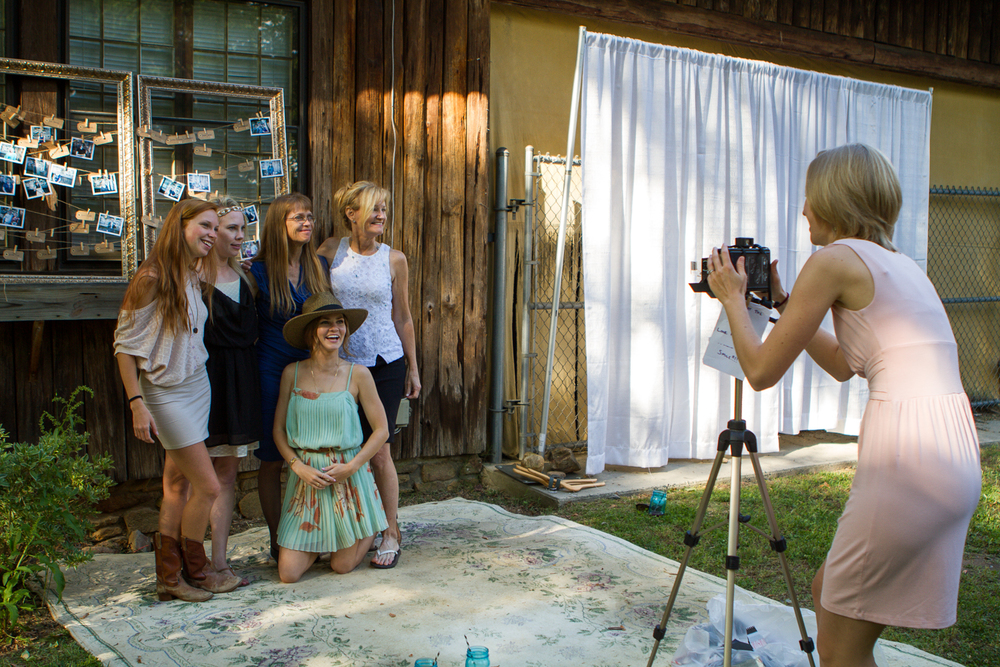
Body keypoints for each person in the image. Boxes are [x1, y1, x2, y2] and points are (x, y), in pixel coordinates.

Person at [706, 143, 982, 667]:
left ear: (834, 200)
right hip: (952, 451)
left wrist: (733, 299)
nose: (804, 210)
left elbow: (759, 371)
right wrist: (783, 302)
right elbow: (840, 363)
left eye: (810, 197)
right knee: (828, 592)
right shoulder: (900, 265)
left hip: (908, 461)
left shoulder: (831, 260)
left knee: (840, 650)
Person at [114, 199, 239, 602]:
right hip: (164, 393)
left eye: (216, 227)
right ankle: (197, 570)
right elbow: (124, 347)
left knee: (177, 484)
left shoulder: (191, 272)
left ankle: (169, 577)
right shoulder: (151, 278)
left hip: (197, 386)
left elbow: (228, 261)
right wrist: (136, 402)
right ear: (180, 226)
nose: (213, 233)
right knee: (208, 487)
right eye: (205, 225)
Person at [318, 181, 421, 569]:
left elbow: (403, 316)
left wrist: (413, 367)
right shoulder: (330, 251)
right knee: (341, 447)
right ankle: (345, 527)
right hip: (340, 364)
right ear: (351, 213)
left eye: (384, 209)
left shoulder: (394, 259)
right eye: (374, 208)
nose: (381, 215)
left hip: (385, 363)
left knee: (379, 451)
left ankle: (390, 531)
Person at [271, 293, 389, 582]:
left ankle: (370, 518)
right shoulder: (292, 373)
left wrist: (352, 467)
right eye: (325, 322)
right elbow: (278, 431)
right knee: (288, 574)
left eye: (340, 322)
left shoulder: (358, 374)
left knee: (342, 565)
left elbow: (381, 430)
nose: (334, 328)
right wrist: (297, 466)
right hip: (307, 477)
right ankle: (321, 539)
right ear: (312, 330)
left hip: (347, 476)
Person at [251, 193, 331, 562]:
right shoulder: (258, 271)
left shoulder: (319, 266)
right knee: (273, 456)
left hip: (313, 369)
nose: (307, 223)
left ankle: (316, 530)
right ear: (278, 224)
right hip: (271, 370)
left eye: (310, 216)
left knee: (315, 449)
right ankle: (278, 538)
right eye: (298, 217)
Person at [195, 195, 263, 587]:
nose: (239, 236)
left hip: (241, 380)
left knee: (227, 473)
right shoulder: (191, 279)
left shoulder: (246, 278)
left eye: (242, 229)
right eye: (231, 228)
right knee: (193, 477)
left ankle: (220, 561)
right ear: (211, 232)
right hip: (205, 382)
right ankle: (191, 560)